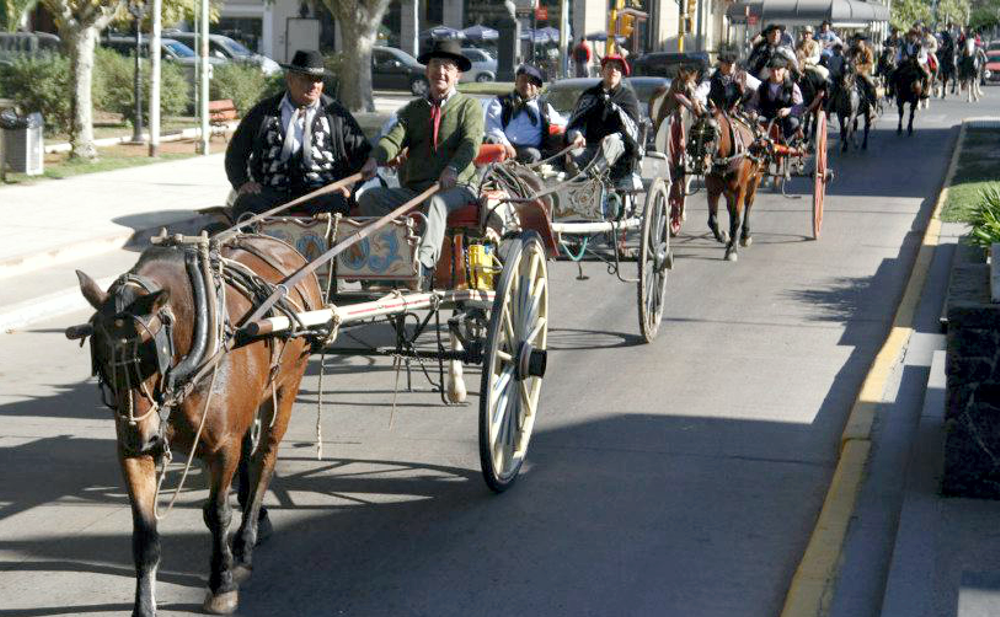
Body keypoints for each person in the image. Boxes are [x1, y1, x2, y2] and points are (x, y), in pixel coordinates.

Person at [357, 40, 484, 282]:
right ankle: (389, 259)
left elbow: (471, 144)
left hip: (458, 188)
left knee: (436, 203)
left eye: (448, 66)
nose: (441, 71)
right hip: (415, 190)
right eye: (435, 64)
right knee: (370, 198)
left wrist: (453, 168)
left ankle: (422, 267)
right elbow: (393, 140)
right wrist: (375, 160)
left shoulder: (469, 106)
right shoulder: (413, 110)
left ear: (458, 74)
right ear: (427, 71)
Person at [224, 49, 371, 220]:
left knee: (336, 203)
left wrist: (349, 185)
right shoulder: (263, 112)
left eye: (318, 80)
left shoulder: (336, 115)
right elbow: (235, 153)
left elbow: (364, 156)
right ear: (290, 79)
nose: (314, 85)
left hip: (321, 194)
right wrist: (242, 183)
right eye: (306, 79)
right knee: (247, 203)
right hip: (271, 194)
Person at [564, 54, 641, 187]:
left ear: (621, 74)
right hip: (590, 147)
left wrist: (612, 131)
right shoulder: (589, 95)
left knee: (612, 141)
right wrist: (577, 135)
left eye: (617, 68)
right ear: (602, 71)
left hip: (619, 152)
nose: (613, 70)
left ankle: (593, 176)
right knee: (573, 154)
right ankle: (578, 181)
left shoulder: (628, 97)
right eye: (609, 67)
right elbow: (576, 123)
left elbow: (632, 130)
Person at [484, 63, 566, 164]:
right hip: (503, 147)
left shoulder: (544, 107)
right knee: (492, 141)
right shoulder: (500, 102)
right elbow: (493, 128)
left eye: (532, 82)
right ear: (516, 82)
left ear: (537, 87)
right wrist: (506, 145)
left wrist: (575, 135)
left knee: (533, 155)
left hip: (530, 150)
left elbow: (562, 124)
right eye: (523, 80)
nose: (527, 85)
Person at [748, 56, 804, 141]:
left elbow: (800, 107)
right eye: (772, 70)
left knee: (793, 122)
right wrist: (753, 112)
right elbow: (752, 104)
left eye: (778, 70)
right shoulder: (762, 87)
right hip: (766, 119)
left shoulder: (792, 87)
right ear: (768, 71)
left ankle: (787, 145)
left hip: (785, 123)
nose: (775, 73)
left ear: (784, 70)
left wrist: (788, 110)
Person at [897, 26, 931, 96]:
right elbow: (898, 56)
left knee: (926, 74)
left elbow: (925, 57)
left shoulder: (920, 46)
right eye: (910, 35)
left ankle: (925, 91)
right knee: (894, 74)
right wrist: (901, 59)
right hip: (906, 64)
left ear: (916, 36)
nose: (911, 36)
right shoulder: (903, 46)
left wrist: (918, 60)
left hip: (916, 65)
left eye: (913, 35)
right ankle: (893, 91)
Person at [848, 34, 877, 107]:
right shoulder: (851, 50)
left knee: (871, 86)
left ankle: (872, 106)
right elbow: (847, 58)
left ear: (862, 42)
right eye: (855, 40)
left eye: (858, 40)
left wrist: (858, 68)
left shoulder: (868, 51)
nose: (856, 42)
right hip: (851, 73)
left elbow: (870, 64)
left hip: (863, 73)